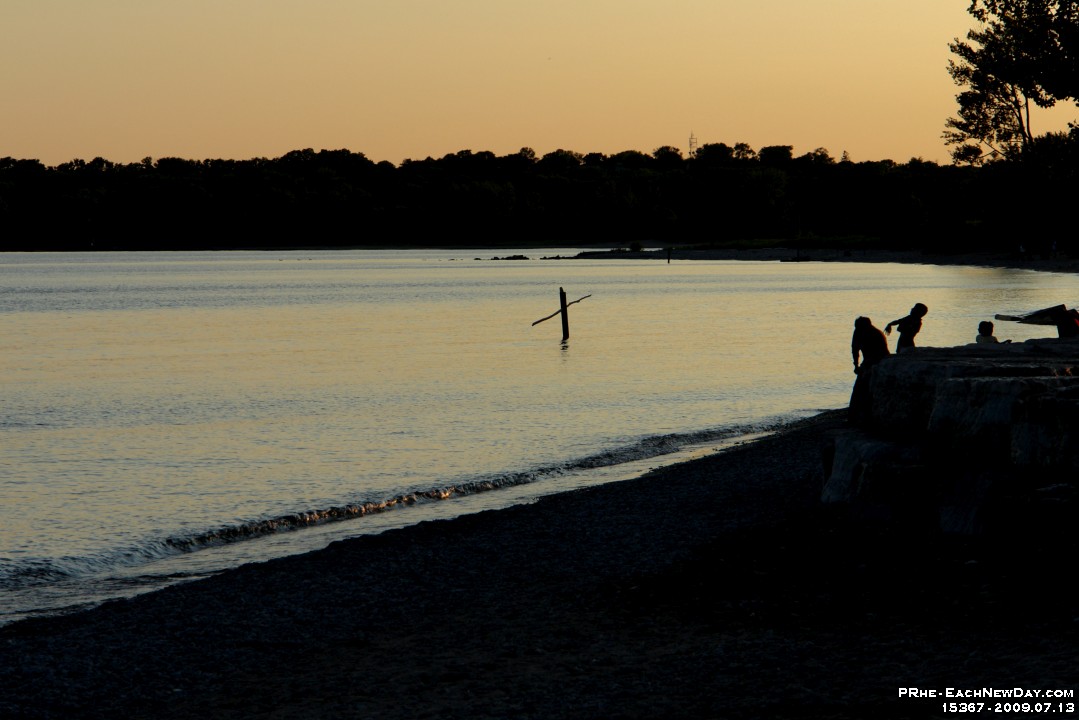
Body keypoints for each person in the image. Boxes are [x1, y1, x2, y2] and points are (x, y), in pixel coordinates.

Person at [849, 316, 890, 424]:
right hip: (867, 361)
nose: (857, 329)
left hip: (879, 360)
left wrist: (863, 366)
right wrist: (856, 365)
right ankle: (855, 414)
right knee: (859, 388)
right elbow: (854, 348)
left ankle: (864, 415)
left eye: (859, 327)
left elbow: (881, 352)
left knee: (865, 387)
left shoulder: (875, 333)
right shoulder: (858, 331)